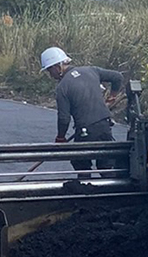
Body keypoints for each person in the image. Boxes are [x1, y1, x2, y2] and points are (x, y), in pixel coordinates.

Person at [40, 46, 123, 176]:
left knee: (80, 161)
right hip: (104, 126)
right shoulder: (91, 70)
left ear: (58, 66)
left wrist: (60, 137)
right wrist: (112, 96)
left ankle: (86, 188)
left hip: (86, 131)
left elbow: (64, 118)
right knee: (106, 163)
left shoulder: (62, 88)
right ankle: (113, 191)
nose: (50, 75)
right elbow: (117, 77)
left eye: (50, 70)